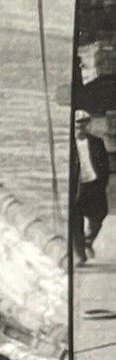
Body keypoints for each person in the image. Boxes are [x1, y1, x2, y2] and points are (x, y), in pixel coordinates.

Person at [74, 111, 110, 265]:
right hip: (78, 187)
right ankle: (81, 254)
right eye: (78, 126)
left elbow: (105, 165)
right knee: (76, 222)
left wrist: (102, 183)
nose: (81, 129)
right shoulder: (70, 145)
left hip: (94, 184)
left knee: (100, 214)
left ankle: (88, 241)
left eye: (84, 125)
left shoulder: (97, 142)